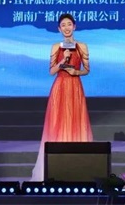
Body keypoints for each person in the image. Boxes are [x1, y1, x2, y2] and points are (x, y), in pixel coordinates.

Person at [31, 13, 93, 181]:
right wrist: (62, 61)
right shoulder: (55, 47)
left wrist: (76, 72)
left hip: (75, 87)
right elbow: (51, 71)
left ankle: (78, 165)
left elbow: (87, 70)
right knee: (57, 124)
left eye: (69, 24)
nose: (66, 28)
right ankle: (56, 165)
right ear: (59, 29)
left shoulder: (82, 46)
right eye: (63, 25)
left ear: (74, 26)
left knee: (76, 122)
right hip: (60, 87)